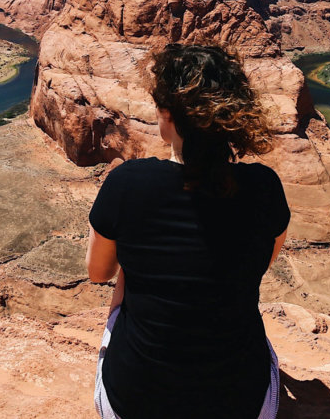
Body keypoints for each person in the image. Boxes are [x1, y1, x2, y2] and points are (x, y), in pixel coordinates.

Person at [87, 42, 290, 419]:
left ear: (167, 112)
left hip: (133, 404)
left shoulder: (127, 184)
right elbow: (262, 262)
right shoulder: (265, 187)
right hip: (244, 406)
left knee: (127, 274)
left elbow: (98, 273)